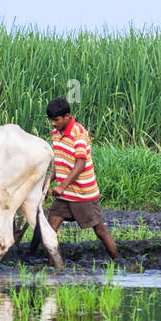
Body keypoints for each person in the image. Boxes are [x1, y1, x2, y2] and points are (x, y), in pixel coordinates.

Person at [44, 97, 119, 260]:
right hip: (65, 196)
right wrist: (46, 183)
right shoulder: (56, 134)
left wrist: (62, 186)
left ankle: (118, 260)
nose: (53, 124)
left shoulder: (78, 133)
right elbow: (58, 162)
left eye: (56, 120)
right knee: (51, 228)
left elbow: (80, 163)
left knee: (99, 230)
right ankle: (55, 265)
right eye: (50, 120)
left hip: (83, 194)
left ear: (67, 116)